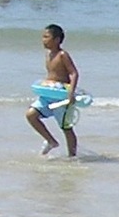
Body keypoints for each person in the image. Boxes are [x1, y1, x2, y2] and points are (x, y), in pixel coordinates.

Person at [26, 23, 81, 158]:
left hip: (61, 96)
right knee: (31, 115)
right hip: (48, 93)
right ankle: (51, 141)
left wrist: (70, 93)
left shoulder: (63, 55)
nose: (43, 40)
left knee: (66, 128)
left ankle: (72, 156)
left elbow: (74, 73)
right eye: (43, 37)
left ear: (56, 40)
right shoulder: (48, 54)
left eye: (46, 37)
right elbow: (52, 74)